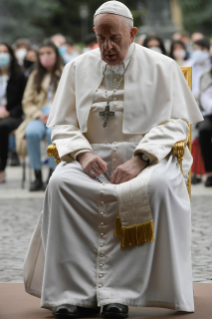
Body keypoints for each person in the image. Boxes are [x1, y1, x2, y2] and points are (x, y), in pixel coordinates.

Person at [23, 1, 203, 318]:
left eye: (115, 38)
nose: (107, 47)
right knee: (61, 184)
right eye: (101, 38)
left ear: (132, 33)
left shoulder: (163, 67)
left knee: (158, 188)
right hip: (91, 159)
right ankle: (72, 294)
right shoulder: (77, 68)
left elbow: (177, 123)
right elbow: (62, 124)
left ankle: (120, 294)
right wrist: (82, 152)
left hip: (148, 158)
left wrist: (141, 159)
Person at [16, 41, 63, 191]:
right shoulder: (35, 75)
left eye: (49, 53)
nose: (45, 57)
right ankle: (37, 175)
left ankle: (52, 174)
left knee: (52, 134)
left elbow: (70, 99)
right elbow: (27, 101)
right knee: (31, 133)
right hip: (38, 115)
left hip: (57, 117)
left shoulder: (65, 72)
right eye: (42, 54)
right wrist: (38, 114)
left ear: (56, 55)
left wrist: (54, 115)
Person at [0, 43, 26, 183]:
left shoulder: (19, 76)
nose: (1, 55)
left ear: (10, 55)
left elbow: (23, 101)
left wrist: (8, 113)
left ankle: (1, 169)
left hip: (13, 115)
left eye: (4, 52)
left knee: (2, 127)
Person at [198, 66, 212, 187]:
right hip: (209, 114)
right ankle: (209, 172)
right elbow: (204, 97)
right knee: (204, 130)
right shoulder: (206, 75)